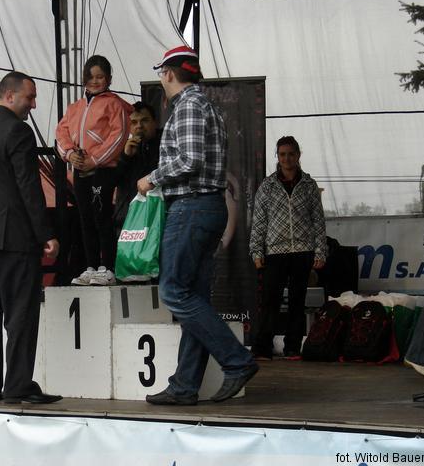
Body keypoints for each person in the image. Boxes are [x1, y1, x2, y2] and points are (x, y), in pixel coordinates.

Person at [137, 45, 258, 405]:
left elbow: (190, 160)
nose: (161, 79)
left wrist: (151, 178)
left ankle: (236, 360)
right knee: (194, 296)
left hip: (192, 207)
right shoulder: (207, 106)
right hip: (205, 207)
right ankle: (185, 385)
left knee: (174, 292)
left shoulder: (188, 105)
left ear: (169, 73)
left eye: (161, 73)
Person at [0, 71, 61, 404]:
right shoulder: (18, 131)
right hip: (14, 236)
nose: (33, 105)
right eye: (29, 97)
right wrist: (46, 233)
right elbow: (28, 187)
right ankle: (18, 385)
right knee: (20, 314)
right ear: (9, 95)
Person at [56, 55, 133, 286]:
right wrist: (70, 154)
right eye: (91, 77)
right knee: (85, 218)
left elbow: (118, 135)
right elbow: (61, 133)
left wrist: (95, 160)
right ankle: (90, 267)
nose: (95, 81)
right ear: (84, 79)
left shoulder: (114, 104)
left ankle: (107, 267)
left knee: (102, 217)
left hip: (103, 170)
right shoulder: (74, 108)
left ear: (108, 78)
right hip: (80, 170)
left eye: (100, 77)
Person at [249, 135, 327, 360]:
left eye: (291, 154)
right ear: (277, 156)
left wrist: (320, 251)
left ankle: (292, 346)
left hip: (303, 251)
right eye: (282, 154)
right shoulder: (268, 186)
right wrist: (256, 251)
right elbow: (259, 221)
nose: (286, 159)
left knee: (297, 301)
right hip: (275, 252)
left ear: (298, 155)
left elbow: (318, 221)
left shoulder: (309, 185)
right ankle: (263, 347)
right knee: (270, 301)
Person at [113, 101, 161, 237]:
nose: (139, 126)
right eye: (133, 122)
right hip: (128, 219)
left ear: (155, 123)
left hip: (156, 217)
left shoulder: (165, 145)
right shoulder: (121, 147)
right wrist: (125, 157)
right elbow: (111, 181)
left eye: (144, 120)